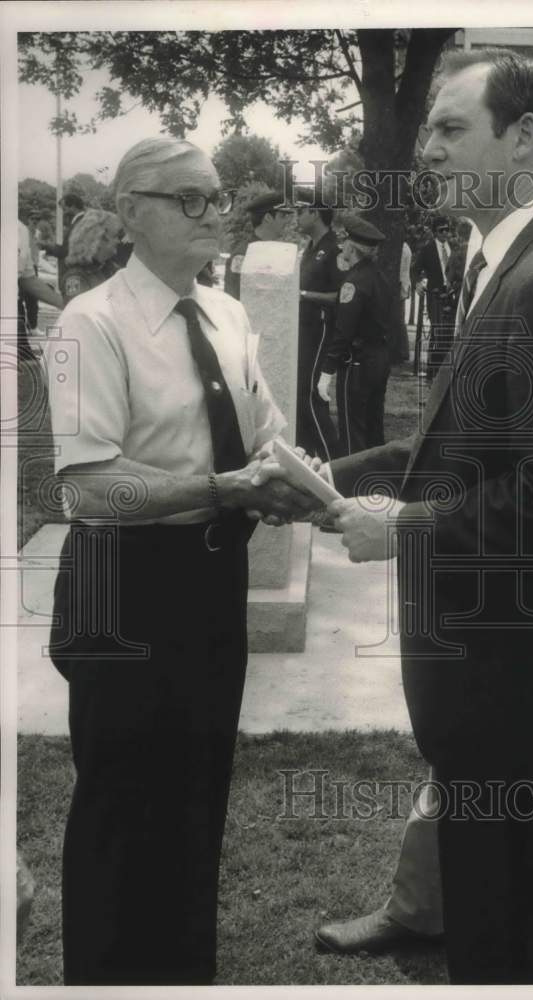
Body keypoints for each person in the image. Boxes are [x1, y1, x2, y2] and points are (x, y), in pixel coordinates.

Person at [321, 50, 533, 984]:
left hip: (519, 691)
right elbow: (464, 450)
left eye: (450, 128)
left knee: (505, 945)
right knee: (507, 929)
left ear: (525, 137)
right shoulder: (513, 259)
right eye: (426, 129)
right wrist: (321, 473)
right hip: (503, 689)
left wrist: (399, 529)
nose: (425, 150)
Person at [46, 136, 316, 985]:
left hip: (208, 584)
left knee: (198, 799)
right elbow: (89, 490)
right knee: (122, 814)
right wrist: (226, 489)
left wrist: (310, 485)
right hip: (122, 593)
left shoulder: (228, 314)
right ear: (131, 213)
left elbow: (269, 435)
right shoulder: (90, 323)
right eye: (188, 199)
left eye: (216, 197)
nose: (214, 213)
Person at [318, 216, 392, 456]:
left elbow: (344, 330)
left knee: (353, 432)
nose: (342, 246)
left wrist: (327, 371)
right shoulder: (379, 277)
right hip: (379, 357)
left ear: (352, 247)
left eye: (345, 241)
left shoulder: (354, 282)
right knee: (374, 428)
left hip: (358, 362)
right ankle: (378, 482)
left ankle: (352, 486)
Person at [294, 192, 342, 460]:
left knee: (313, 393)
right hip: (304, 330)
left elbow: (340, 295)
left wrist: (302, 295)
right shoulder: (311, 248)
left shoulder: (333, 249)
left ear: (315, 213)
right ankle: (307, 455)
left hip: (321, 329)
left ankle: (331, 459)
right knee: (301, 393)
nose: (297, 217)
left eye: (301, 211)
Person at [415, 216, 454, 380]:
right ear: (434, 232)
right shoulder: (427, 249)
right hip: (436, 294)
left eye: (447, 230)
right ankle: (433, 372)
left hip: (451, 294)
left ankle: (444, 372)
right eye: (441, 230)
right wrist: (418, 284)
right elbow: (415, 269)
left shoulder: (453, 247)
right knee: (437, 331)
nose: (445, 233)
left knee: (449, 332)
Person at [17, 218, 63, 359]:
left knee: (29, 370)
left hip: (12, 315)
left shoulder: (20, 230)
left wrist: (67, 303)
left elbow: (28, 279)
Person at [60, 209, 124, 304]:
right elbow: (79, 313)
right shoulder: (76, 277)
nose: (118, 241)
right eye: (115, 236)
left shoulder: (110, 269)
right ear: (100, 239)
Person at [42, 192, 86, 292]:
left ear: (73, 206)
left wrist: (47, 246)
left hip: (73, 273)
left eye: (65, 209)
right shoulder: (80, 221)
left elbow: (66, 250)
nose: (64, 213)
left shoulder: (80, 223)